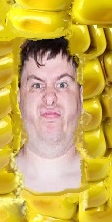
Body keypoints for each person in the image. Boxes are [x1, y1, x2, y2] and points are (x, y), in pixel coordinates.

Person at [15, 38, 82, 193]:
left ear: (81, 97)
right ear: (19, 98)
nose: (50, 98)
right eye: (37, 85)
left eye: (62, 85)